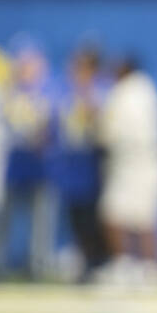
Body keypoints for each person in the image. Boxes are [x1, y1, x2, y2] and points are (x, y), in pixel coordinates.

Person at [0, 38, 58, 280]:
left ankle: (38, 265)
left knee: (41, 221)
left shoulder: (49, 90)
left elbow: (52, 129)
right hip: (15, 165)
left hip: (41, 166)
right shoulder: (10, 91)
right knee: (1, 219)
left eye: (30, 64)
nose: (26, 69)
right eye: (23, 64)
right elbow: (3, 123)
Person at [97, 56, 157, 289]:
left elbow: (110, 132)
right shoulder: (145, 92)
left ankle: (140, 269)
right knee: (131, 217)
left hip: (138, 164)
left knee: (137, 218)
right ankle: (139, 268)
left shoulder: (128, 93)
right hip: (140, 163)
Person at [54, 45, 110, 281]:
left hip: (92, 161)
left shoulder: (101, 90)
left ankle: (97, 262)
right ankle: (83, 261)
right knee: (75, 215)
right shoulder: (68, 92)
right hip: (72, 162)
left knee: (92, 215)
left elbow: (100, 125)